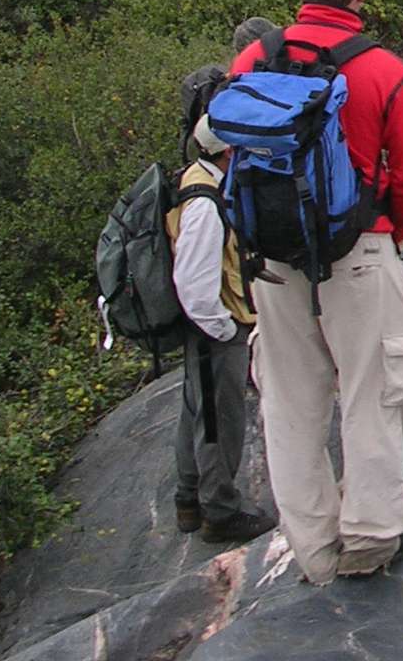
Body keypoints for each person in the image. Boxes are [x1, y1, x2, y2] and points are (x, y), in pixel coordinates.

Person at [229, 0, 403, 585]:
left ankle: (315, 551)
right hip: (359, 254)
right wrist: (379, 238)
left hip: (274, 259)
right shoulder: (383, 70)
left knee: (289, 404)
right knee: (373, 394)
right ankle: (371, 540)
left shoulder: (254, 59)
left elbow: (230, 150)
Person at [168, 108, 275, 546]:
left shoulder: (193, 178)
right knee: (219, 419)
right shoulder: (206, 204)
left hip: (203, 324)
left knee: (195, 408)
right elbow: (193, 282)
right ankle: (220, 510)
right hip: (214, 325)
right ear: (228, 150)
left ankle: (188, 499)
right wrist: (222, 328)